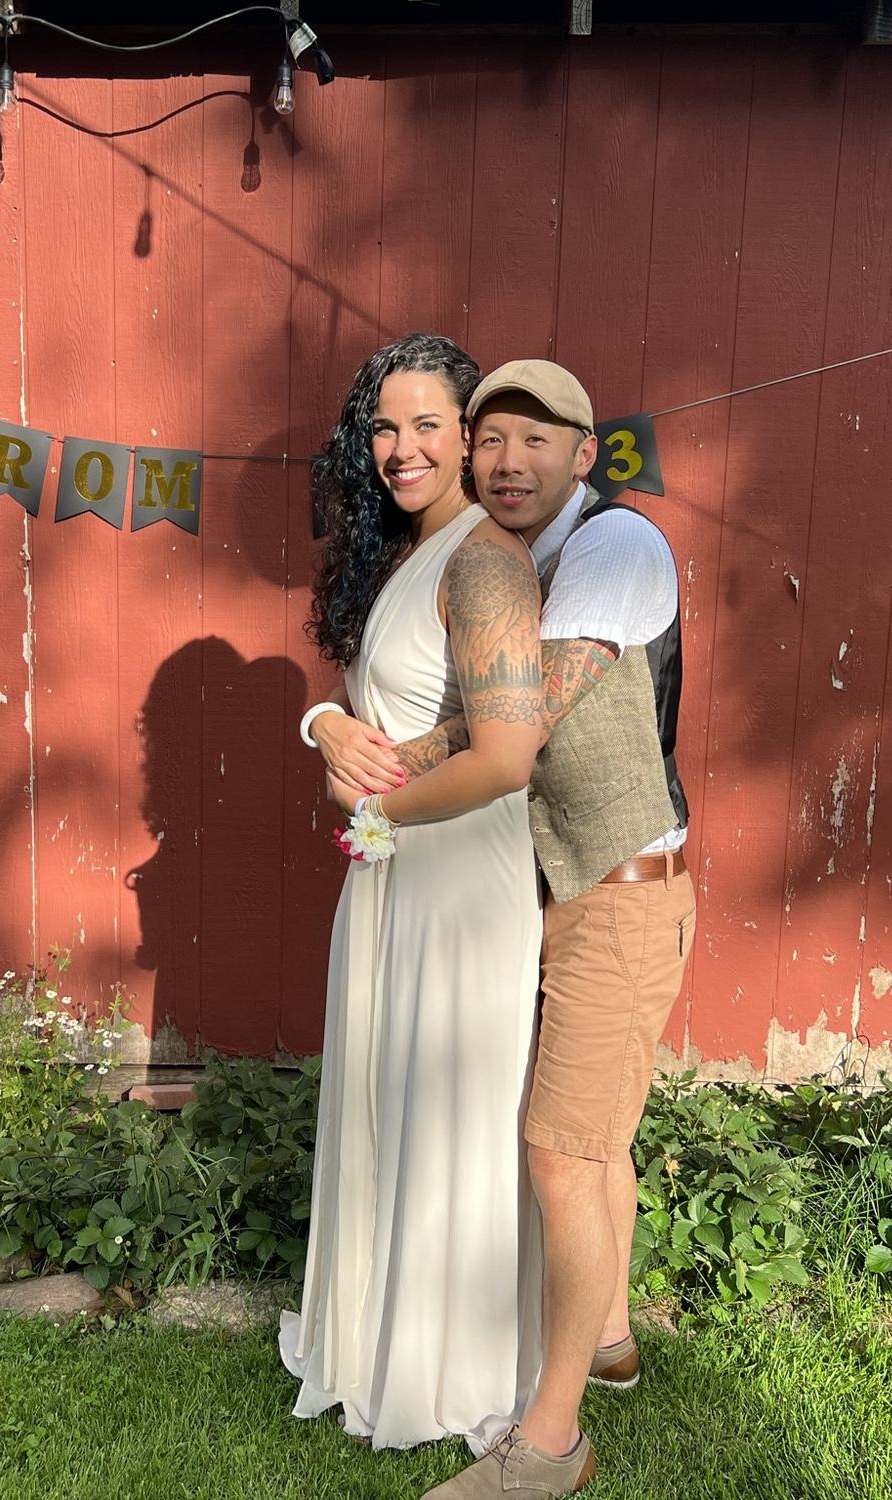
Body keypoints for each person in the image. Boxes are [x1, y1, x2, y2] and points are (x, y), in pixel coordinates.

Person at [310, 358, 695, 1498]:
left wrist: (369, 775)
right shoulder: (506, 555)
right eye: (494, 440)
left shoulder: (613, 548)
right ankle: (609, 1340)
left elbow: (518, 718)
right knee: (595, 1142)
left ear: (587, 451)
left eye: (539, 440)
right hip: (557, 888)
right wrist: (329, 721)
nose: (509, 461)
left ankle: (550, 1444)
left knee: (561, 1154)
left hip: (619, 891)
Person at [281, 333, 547, 1452]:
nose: (402, 449)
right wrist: (324, 726)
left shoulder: (485, 561)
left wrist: (376, 817)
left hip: (456, 881)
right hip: (392, 869)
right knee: (390, 1104)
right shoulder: (406, 554)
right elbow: (376, 729)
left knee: (444, 1112)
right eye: (384, 427)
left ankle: (448, 1367)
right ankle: (375, 1339)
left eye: (428, 424)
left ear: (471, 435)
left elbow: (507, 756)